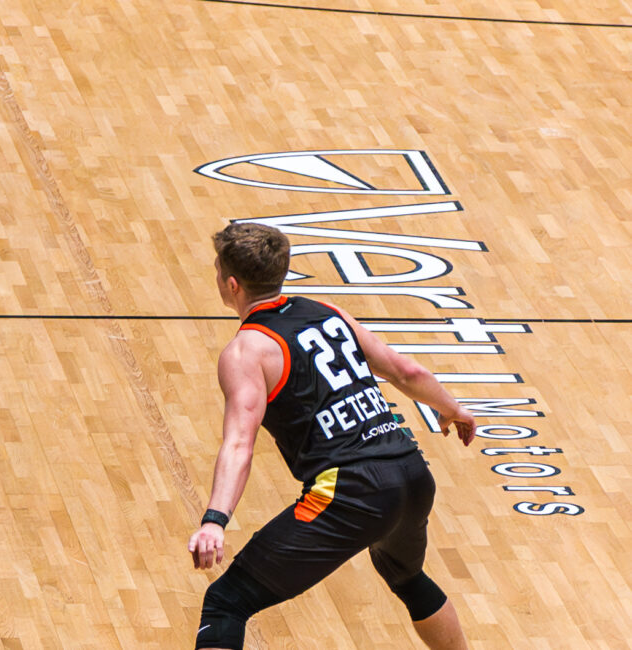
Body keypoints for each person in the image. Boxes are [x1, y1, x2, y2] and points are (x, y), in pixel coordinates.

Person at [188, 222, 475, 649]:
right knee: (406, 575)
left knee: (227, 600)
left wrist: (215, 520)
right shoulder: (327, 311)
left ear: (231, 285)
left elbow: (239, 443)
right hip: (411, 473)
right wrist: (453, 409)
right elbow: (405, 371)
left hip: (351, 491)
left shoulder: (248, 350)